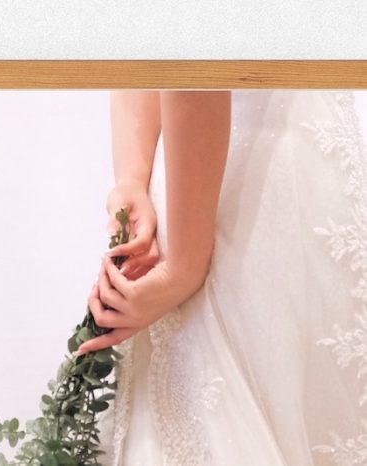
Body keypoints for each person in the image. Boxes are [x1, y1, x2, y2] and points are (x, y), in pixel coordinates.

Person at [80, 90, 367, 465]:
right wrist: (132, 178)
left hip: (235, 205)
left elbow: (194, 71)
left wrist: (182, 268)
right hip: (271, 185)